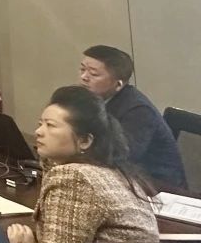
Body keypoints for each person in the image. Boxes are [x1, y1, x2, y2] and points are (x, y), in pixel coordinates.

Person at [7, 85, 159, 243]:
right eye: (40, 123)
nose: (38, 132)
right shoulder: (108, 170)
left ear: (85, 141)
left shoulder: (76, 178)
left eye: (50, 126)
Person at [79, 45, 186, 192]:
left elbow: (121, 157)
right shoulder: (92, 100)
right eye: (82, 69)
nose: (84, 77)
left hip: (157, 188)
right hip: (122, 179)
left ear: (118, 84)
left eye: (93, 74)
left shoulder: (139, 111)